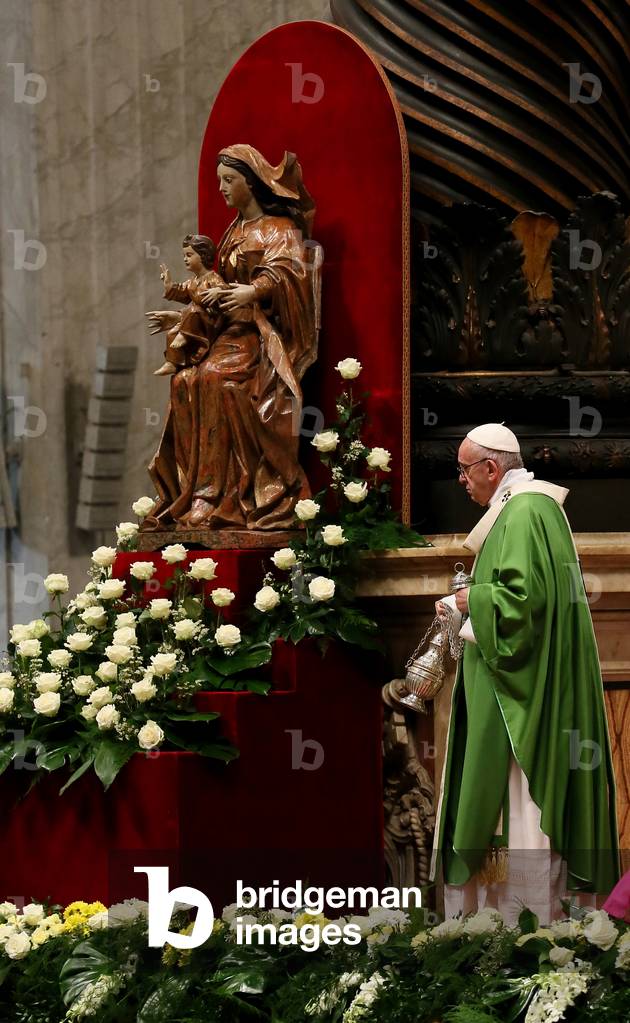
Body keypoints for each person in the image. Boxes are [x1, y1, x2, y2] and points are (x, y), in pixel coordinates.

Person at [430, 423, 620, 925]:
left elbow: (523, 605)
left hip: (522, 700)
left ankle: (525, 924)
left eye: (464, 470)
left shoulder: (526, 510)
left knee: (520, 807)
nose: (461, 481)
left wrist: (470, 599)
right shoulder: (526, 509)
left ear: (492, 468)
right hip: (518, 686)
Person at [143, 144, 321, 531]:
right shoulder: (233, 232)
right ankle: (193, 491)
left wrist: (253, 291)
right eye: (219, 180)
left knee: (214, 379)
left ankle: (219, 496)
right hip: (226, 331)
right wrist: (183, 317)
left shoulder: (280, 229)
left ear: (251, 183)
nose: (221, 188)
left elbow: (291, 276)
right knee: (184, 381)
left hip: (260, 335)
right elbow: (213, 288)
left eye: (229, 180)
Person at [148, 234, 225, 376]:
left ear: (203, 256)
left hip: (211, 322)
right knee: (171, 333)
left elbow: (225, 289)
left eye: (189, 255)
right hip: (194, 321)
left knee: (193, 310)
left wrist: (218, 291)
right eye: (184, 256)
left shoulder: (213, 278)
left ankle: (184, 335)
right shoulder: (192, 281)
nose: (185, 259)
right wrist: (169, 285)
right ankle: (172, 362)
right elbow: (182, 291)